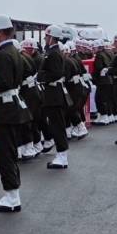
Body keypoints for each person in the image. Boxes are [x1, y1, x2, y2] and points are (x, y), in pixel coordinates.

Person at [0, 15, 31, 213]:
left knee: (5, 153)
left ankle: (11, 195)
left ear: (0, 32)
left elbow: (4, 82)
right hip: (13, 106)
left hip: (5, 108)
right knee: (9, 150)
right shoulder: (15, 51)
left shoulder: (3, 54)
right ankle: (12, 193)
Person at [38, 25, 72, 169]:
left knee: (57, 125)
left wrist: (40, 76)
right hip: (52, 93)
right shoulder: (52, 52)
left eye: (46, 36)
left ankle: (62, 155)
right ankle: (61, 154)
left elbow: (56, 73)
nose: (45, 39)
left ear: (51, 37)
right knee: (56, 124)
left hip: (54, 94)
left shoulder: (53, 53)